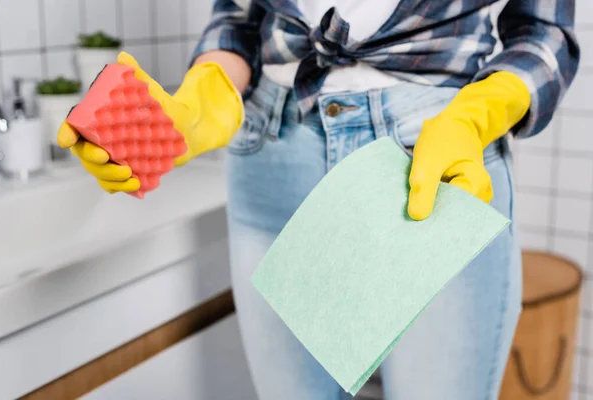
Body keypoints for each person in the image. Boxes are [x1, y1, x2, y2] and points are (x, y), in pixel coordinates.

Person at [57, 1, 580, 398]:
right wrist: (205, 97)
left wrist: (477, 115)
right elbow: (238, 19)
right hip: (273, 155)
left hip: (433, 160)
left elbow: (544, 29)